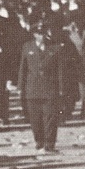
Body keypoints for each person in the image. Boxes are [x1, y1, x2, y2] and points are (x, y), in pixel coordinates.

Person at [18, 20, 72, 154]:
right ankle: (39, 141)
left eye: (43, 33)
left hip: (50, 88)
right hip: (32, 89)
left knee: (50, 117)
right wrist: (20, 87)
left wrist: (61, 88)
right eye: (38, 33)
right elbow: (22, 69)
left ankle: (49, 143)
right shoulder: (27, 47)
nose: (41, 36)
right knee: (35, 119)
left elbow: (60, 70)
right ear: (34, 34)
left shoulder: (55, 48)